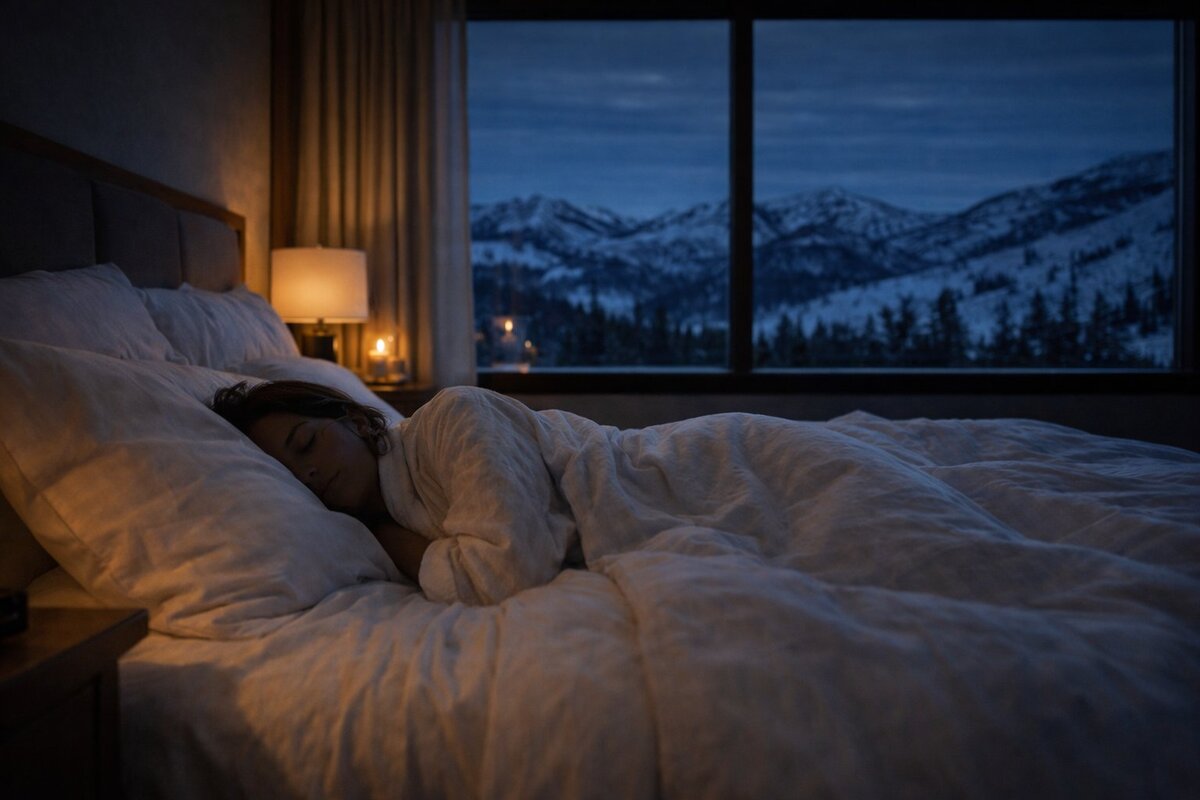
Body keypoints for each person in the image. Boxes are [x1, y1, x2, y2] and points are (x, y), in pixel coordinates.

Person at [209, 380, 432, 583]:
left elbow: (466, 578)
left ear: (357, 421)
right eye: (290, 474)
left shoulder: (444, 426)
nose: (306, 475)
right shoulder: (367, 538)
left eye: (306, 444)